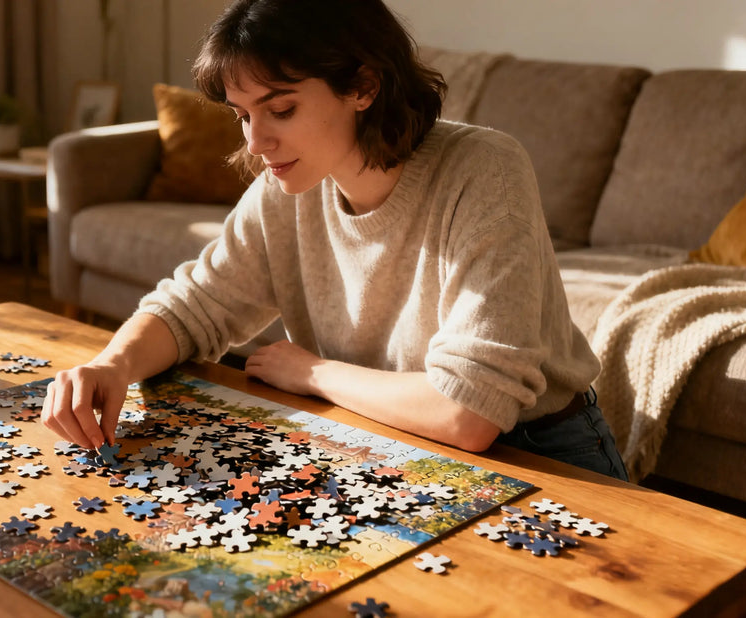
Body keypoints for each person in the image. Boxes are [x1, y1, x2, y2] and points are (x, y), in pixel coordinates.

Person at [43, 0, 628, 481]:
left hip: (539, 455)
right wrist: (112, 366)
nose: (256, 142)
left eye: (281, 109)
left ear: (363, 86)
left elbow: (468, 414)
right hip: (377, 440)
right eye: (244, 115)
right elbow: (196, 307)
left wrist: (313, 374)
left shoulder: (486, 169)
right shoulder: (290, 186)